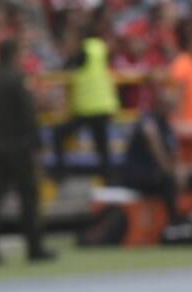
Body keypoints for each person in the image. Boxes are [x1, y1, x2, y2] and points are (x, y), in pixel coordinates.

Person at [0, 38, 55, 265]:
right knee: (28, 198)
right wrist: (37, 145)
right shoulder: (18, 80)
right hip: (18, 147)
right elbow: (28, 116)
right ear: (14, 55)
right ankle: (34, 248)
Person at [52, 16, 118, 183]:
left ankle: (60, 174)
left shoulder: (82, 51)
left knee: (59, 134)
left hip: (89, 108)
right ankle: (108, 180)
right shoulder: (99, 47)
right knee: (102, 147)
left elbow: (66, 67)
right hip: (104, 106)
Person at [120, 79, 186, 227]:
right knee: (168, 180)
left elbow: (175, 153)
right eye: (168, 105)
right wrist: (170, 171)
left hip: (154, 174)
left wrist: (180, 169)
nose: (171, 108)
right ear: (159, 104)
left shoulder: (167, 125)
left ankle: (187, 218)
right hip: (138, 174)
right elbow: (156, 147)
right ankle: (174, 222)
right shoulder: (148, 120)